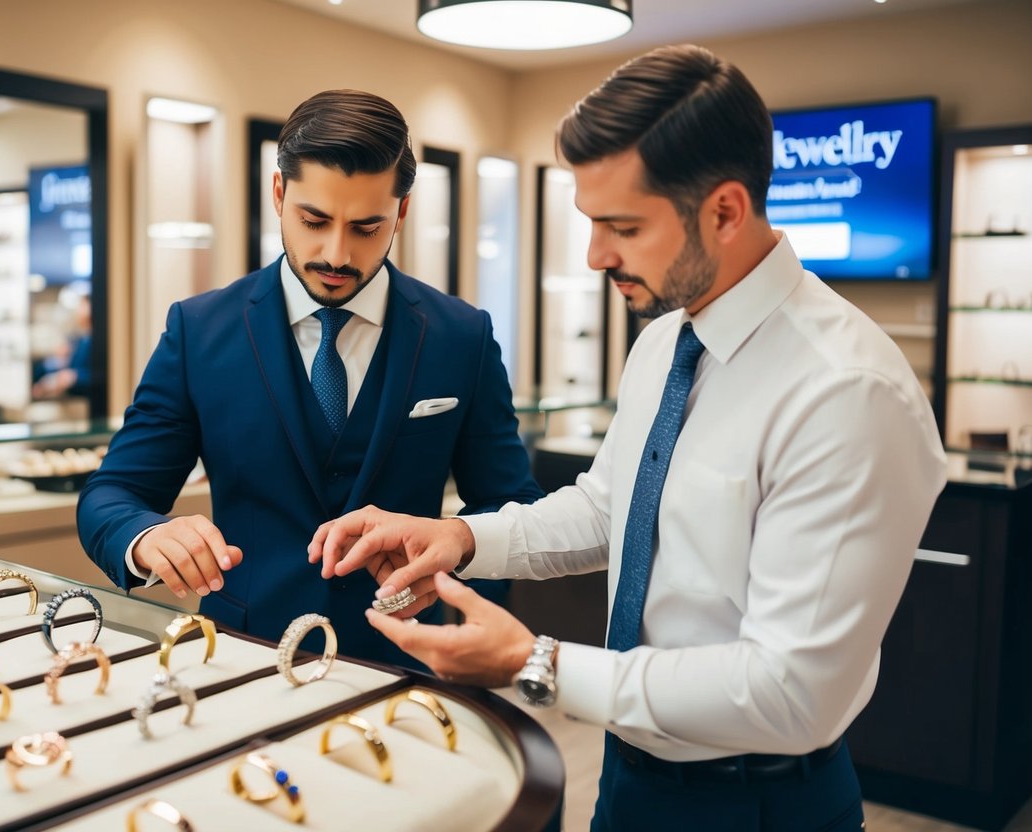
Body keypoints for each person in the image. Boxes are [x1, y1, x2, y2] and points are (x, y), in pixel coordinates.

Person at [310, 45, 947, 830]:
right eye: (590, 223)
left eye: (622, 226)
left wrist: (532, 663)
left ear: (723, 209)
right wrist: (459, 537)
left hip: (760, 801)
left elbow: (792, 694)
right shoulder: (662, 340)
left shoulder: (846, 393)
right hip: (631, 777)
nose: (593, 256)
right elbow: (610, 508)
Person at [78, 89, 540, 666]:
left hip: (406, 659)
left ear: (401, 212)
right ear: (278, 194)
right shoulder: (199, 330)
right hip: (241, 658)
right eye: (313, 220)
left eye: (366, 227)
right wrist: (146, 538)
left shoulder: (460, 335)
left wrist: (466, 599)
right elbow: (111, 495)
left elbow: (510, 503)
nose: (336, 253)